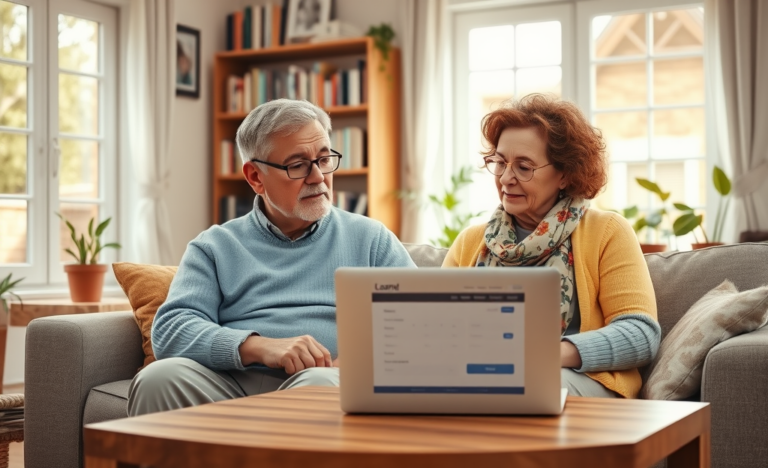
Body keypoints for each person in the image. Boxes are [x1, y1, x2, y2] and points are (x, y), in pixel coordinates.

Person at [128, 99, 415, 416]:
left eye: (324, 159)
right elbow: (171, 329)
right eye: (298, 165)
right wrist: (258, 346)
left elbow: (419, 320)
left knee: (319, 385)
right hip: (230, 385)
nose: (318, 176)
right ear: (255, 177)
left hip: (322, 380)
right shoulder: (214, 246)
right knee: (157, 378)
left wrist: (358, 362)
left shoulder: (371, 238)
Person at [443, 94, 660, 399]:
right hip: (480, 376)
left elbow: (639, 334)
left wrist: (546, 355)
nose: (506, 178)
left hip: (575, 379)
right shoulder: (470, 242)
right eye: (500, 163)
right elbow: (441, 330)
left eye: (524, 167)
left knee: (534, 383)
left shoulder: (607, 231)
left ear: (564, 174)